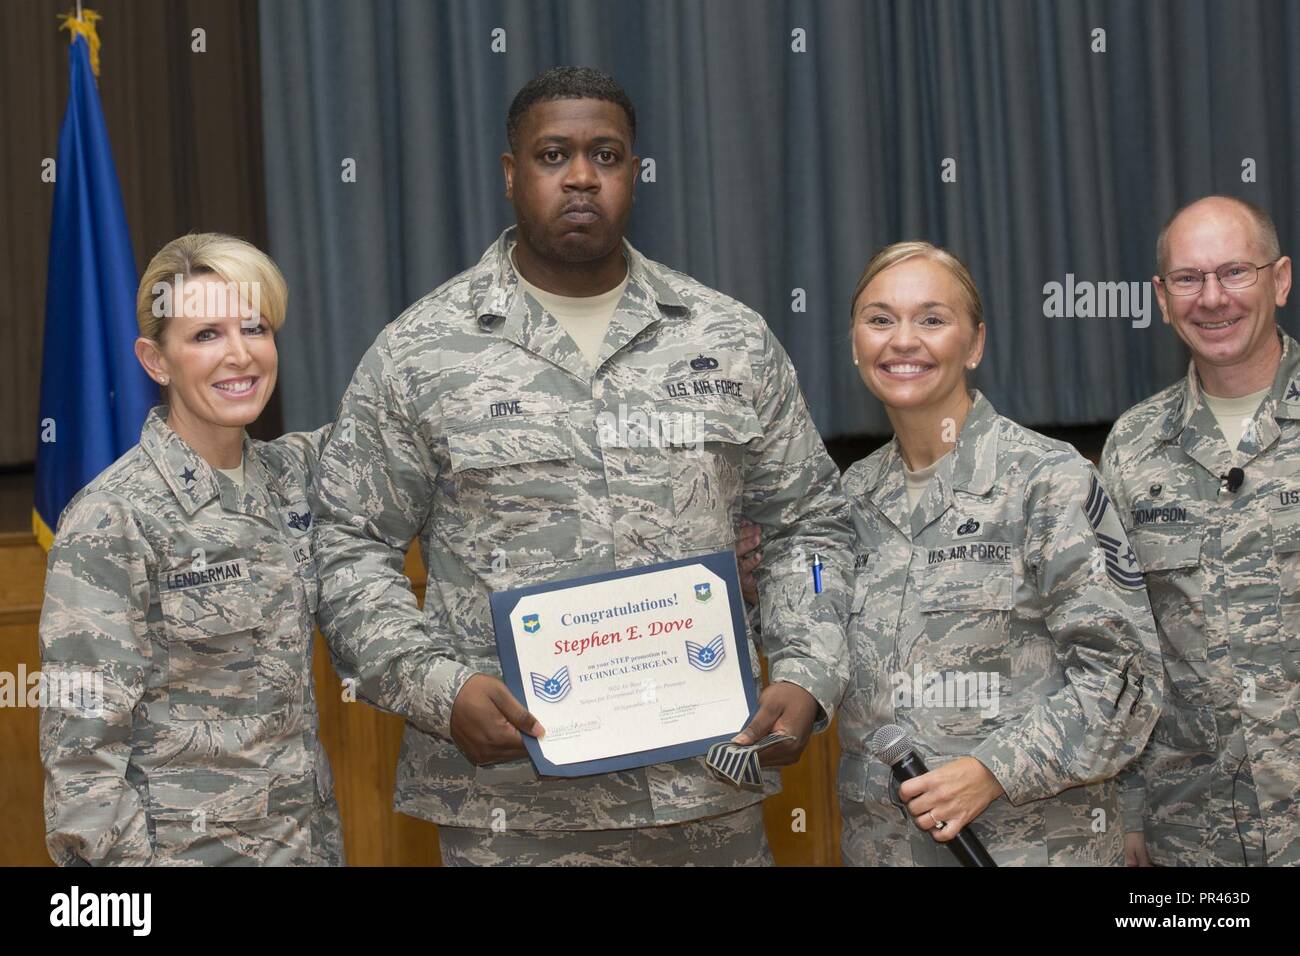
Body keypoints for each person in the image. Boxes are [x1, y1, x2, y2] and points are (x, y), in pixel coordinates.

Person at [309, 66, 853, 866]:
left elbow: (811, 528)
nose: (580, 178)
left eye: (606, 155)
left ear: (634, 172)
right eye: (553, 155)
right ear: (510, 174)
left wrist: (808, 670)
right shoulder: (421, 353)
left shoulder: (727, 338)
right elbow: (347, 546)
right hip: (512, 809)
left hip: (704, 787)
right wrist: (436, 686)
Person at [837, 241, 1163, 866]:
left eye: (932, 319)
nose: (903, 340)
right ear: (856, 343)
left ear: (975, 344)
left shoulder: (1047, 482)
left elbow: (1128, 681)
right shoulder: (843, 503)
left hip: (1030, 848)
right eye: (880, 319)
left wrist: (994, 769)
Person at [40, 233, 345, 865]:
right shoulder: (112, 517)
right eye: (206, 335)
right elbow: (82, 760)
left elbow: (401, 421)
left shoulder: (292, 476)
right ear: (156, 361)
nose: (240, 356)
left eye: (255, 328)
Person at [1103, 195, 1300, 866]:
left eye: (1235, 272)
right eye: (1188, 279)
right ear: (1161, 298)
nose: (1212, 298)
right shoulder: (1132, 448)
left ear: (1279, 279)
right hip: (1192, 832)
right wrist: (1127, 815)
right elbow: (1119, 645)